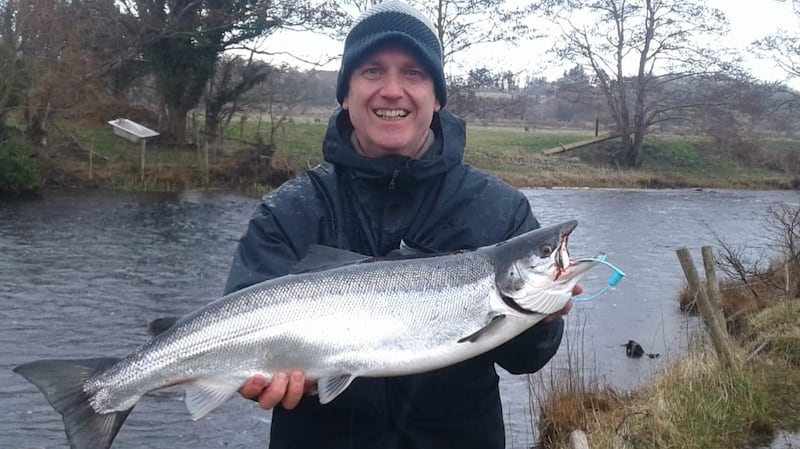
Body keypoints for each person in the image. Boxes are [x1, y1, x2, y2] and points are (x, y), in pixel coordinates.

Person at [224, 1, 577, 447]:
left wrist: (543, 318)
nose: (392, 90)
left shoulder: (500, 208)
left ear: (437, 96)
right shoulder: (288, 211)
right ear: (345, 94)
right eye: (372, 71)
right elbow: (232, 336)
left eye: (413, 73)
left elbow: (527, 361)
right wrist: (251, 375)